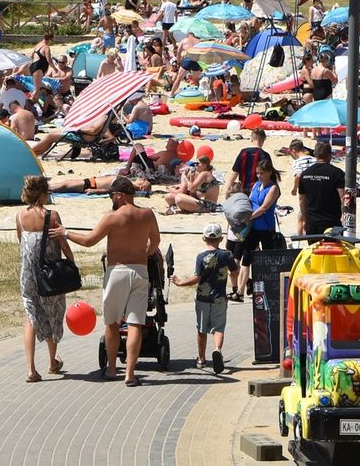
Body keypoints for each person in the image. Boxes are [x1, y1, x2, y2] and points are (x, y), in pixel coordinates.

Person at [54, 176, 160, 386]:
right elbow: (155, 242)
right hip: (140, 271)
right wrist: (145, 255)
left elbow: (89, 241)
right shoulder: (147, 214)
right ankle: (130, 374)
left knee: (112, 323)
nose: (111, 200)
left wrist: (65, 233)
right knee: (135, 323)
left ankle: (112, 369)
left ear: (119, 196)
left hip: (117, 271)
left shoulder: (112, 217)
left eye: (112, 196)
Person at [16, 174, 71, 382]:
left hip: (28, 274)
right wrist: (72, 264)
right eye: (47, 192)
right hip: (50, 275)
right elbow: (63, 245)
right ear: (41, 195)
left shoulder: (20, 217)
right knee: (53, 313)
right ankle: (52, 362)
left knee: (32, 317)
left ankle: (31, 369)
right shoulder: (52, 216)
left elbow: (22, 242)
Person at [172, 224, 237, 372]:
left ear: (204, 238)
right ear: (221, 239)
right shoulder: (227, 255)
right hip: (219, 298)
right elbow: (235, 272)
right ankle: (217, 350)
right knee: (218, 328)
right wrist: (235, 286)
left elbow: (196, 278)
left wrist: (181, 282)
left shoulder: (201, 257)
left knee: (201, 329)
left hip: (203, 298)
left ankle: (201, 359)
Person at [232, 157, 281, 301]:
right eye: (257, 173)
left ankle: (270, 289)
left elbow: (264, 207)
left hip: (266, 229)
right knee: (246, 259)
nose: (259, 176)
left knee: (267, 261)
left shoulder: (273, 188)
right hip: (252, 228)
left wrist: (249, 217)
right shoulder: (256, 185)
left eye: (262, 173)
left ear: (269, 172)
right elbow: (250, 201)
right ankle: (240, 292)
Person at [296, 140, 346, 237]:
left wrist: (305, 219)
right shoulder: (336, 173)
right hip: (331, 222)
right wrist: (344, 216)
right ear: (329, 155)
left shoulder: (305, 174)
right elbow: (343, 197)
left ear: (315, 154)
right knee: (332, 251)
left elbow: (302, 199)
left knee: (314, 251)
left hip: (312, 222)